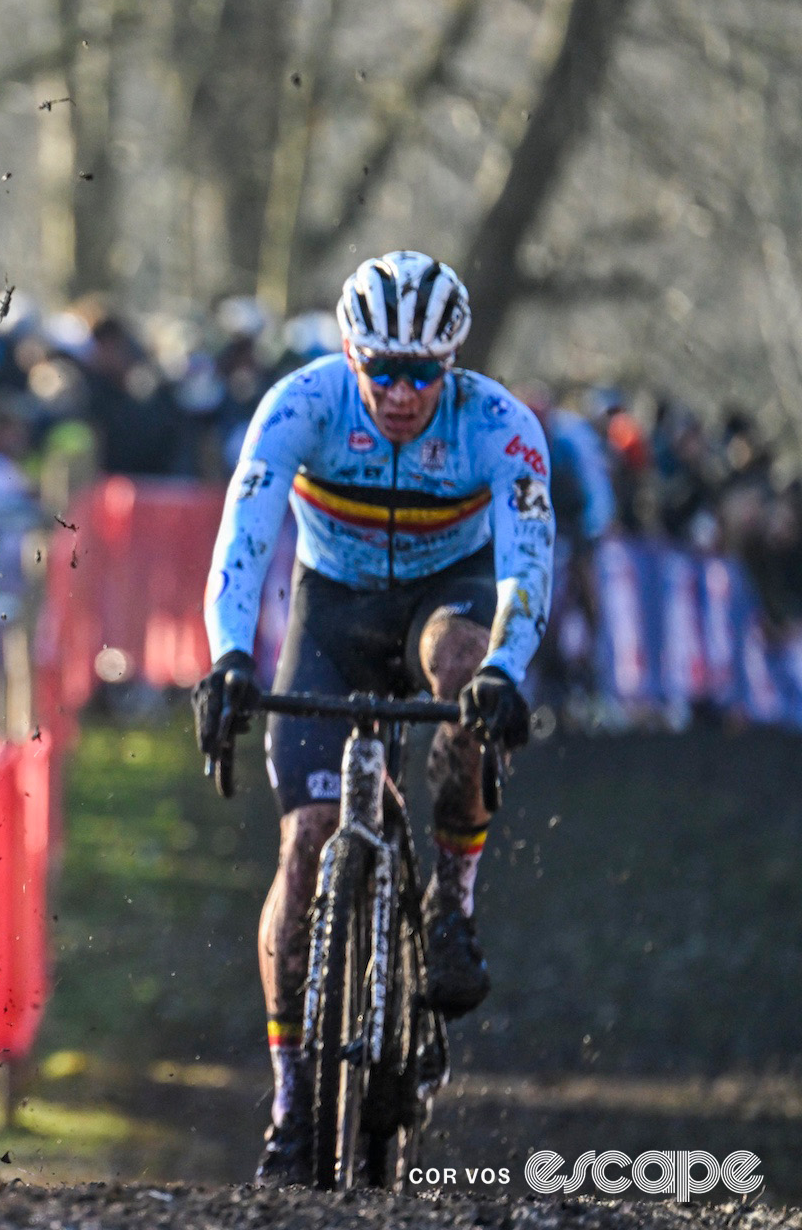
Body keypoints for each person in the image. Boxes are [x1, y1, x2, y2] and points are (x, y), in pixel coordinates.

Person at [191, 252, 555, 1184]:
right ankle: (288, 1105)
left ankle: (453, 905)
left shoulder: (500, 425)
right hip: (335, 613)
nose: (400, 393)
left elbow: (524, 567)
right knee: (307, 842)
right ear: (349, 356)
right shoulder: (302, 404)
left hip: (449, 599)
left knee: (464, 676)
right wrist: (229, 656)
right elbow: (244, 537)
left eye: (422, 373)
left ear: (453, 365)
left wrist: (508, 671)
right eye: (381, 370)